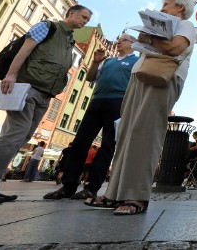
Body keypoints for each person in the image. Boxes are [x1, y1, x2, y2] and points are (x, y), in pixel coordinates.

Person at [87, 0, 196, 215]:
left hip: (164, 77)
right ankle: (114, 193)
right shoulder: (166, 24)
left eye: (166, 5)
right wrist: (144, 39)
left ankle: (137, 196)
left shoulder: (185, 25)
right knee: (126, 133)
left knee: (145, 134)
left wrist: (150, 37)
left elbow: (175, 48)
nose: (162, 8)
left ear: (180, 8)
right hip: (140, 75)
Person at [0, 5, 92, 205]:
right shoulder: (47, 27)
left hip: (45, 95)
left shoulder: (69, 41)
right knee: (14, 134)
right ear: (72, 13)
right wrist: (11, 75)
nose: (85, 22)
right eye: (83, 17)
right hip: (27, 88)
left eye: (87, 19)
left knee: (21, 136)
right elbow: (24, 50)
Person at [43, 33, 138, 200]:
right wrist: (95, 61)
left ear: (132, 44)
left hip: (118, 103)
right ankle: (68, 185)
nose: (118, 43)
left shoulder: (135, 61)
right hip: (97, 101)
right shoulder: (108, 61)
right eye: (118, 40)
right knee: (80, 142)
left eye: (122, 40)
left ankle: (92, 187)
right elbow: (90, 77)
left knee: (108, 145)